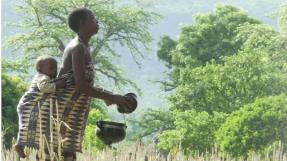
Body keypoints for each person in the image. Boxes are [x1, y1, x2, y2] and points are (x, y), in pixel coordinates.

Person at [54, 8, 133, 160]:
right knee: (63, 153)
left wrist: (105, 96)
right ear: (82, 24)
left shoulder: (83, 46)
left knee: (67, 153)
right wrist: (111, 96)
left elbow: (80, 82)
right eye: (93, 19)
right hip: (66, 110)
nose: (97, 21)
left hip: (74, 111)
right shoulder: (77, 48)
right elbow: (81, 86)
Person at [15, 56, 66, 158]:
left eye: (56, 68)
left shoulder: (47, 77)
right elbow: (44, 88)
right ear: (40, 69)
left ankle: (27, 145)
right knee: (28, 124)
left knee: (34, 126)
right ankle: (19, 145)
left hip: (31, 105)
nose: (54, 71)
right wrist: (57, 85)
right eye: (51, 68)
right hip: (29, 104)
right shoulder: (43, 77)